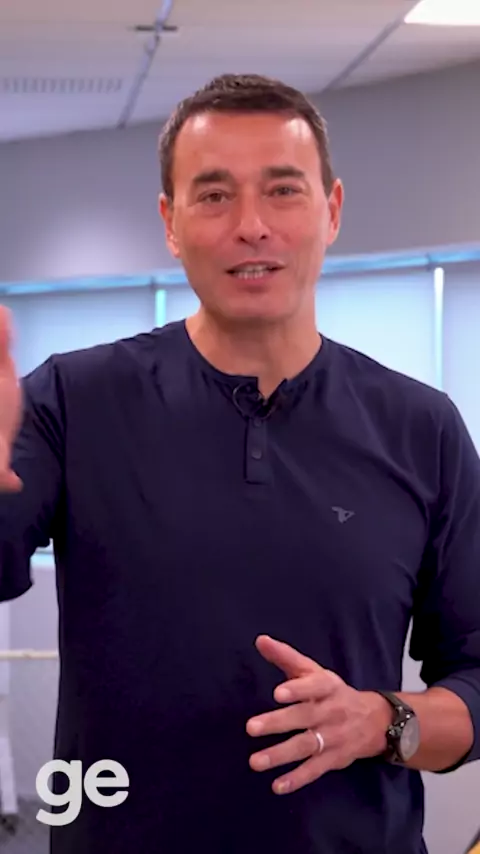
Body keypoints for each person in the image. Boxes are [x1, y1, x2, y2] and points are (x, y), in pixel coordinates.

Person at [0, 72, 479, 854]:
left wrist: (382, 721)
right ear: (171, 222)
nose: (251, 226)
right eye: (215, 195)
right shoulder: (70, 401)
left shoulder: (421, 428)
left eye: (283, 191)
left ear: (331, 210)